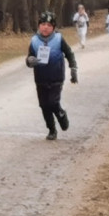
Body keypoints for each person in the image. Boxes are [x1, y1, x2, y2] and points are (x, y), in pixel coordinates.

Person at [25, 11, 77, 141]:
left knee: (53, 102)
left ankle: (61, 114)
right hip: (40, 78)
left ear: (53, 27)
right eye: (43, 24)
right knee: (44, 105)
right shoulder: (34, 41)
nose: (45, 27)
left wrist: (73, 68)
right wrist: (30, 61)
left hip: (56, 77)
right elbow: (29, 57)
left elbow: (69, 53)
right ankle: (51, 129)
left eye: (49, 24)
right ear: (38, 26)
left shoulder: (59, 39)